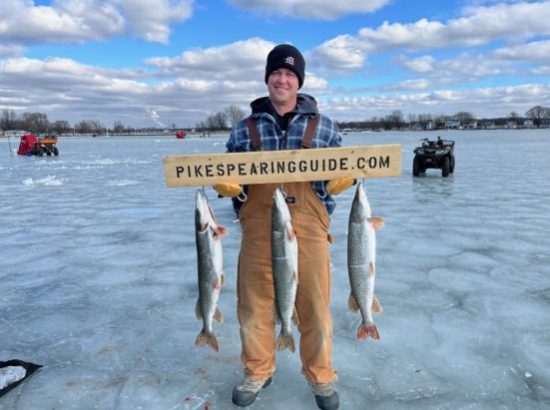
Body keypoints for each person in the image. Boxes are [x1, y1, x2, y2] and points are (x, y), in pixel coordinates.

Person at [214, 44, 354, 410]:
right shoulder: (244, 129)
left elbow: (341, 169)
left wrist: (343, 178)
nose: (282, 79)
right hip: (258, 231)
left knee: (315, 307)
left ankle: (320, 375)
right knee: (254, 307)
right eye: (276, 73)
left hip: (309, 230)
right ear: (267, 78)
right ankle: (258, 369)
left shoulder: (324, 127)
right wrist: (229, 185)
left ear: (299, 81)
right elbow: (231, 178)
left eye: (290, 74)